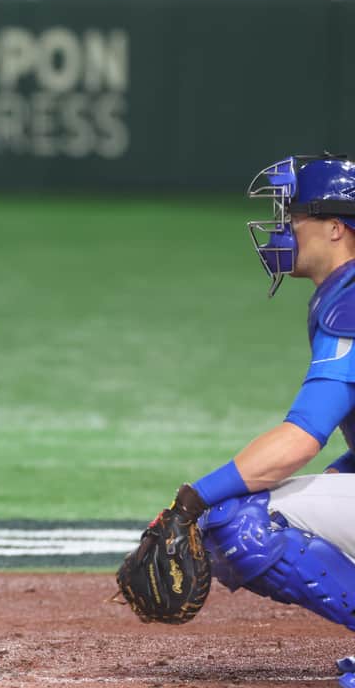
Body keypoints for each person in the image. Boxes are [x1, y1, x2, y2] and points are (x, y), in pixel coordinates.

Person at [145, 155, 355, 687]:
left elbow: (299, 440)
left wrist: (194, 498)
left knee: (240, 523)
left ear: (336, 228)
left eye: (294, 216)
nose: (283, 230)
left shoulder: (349, 304)